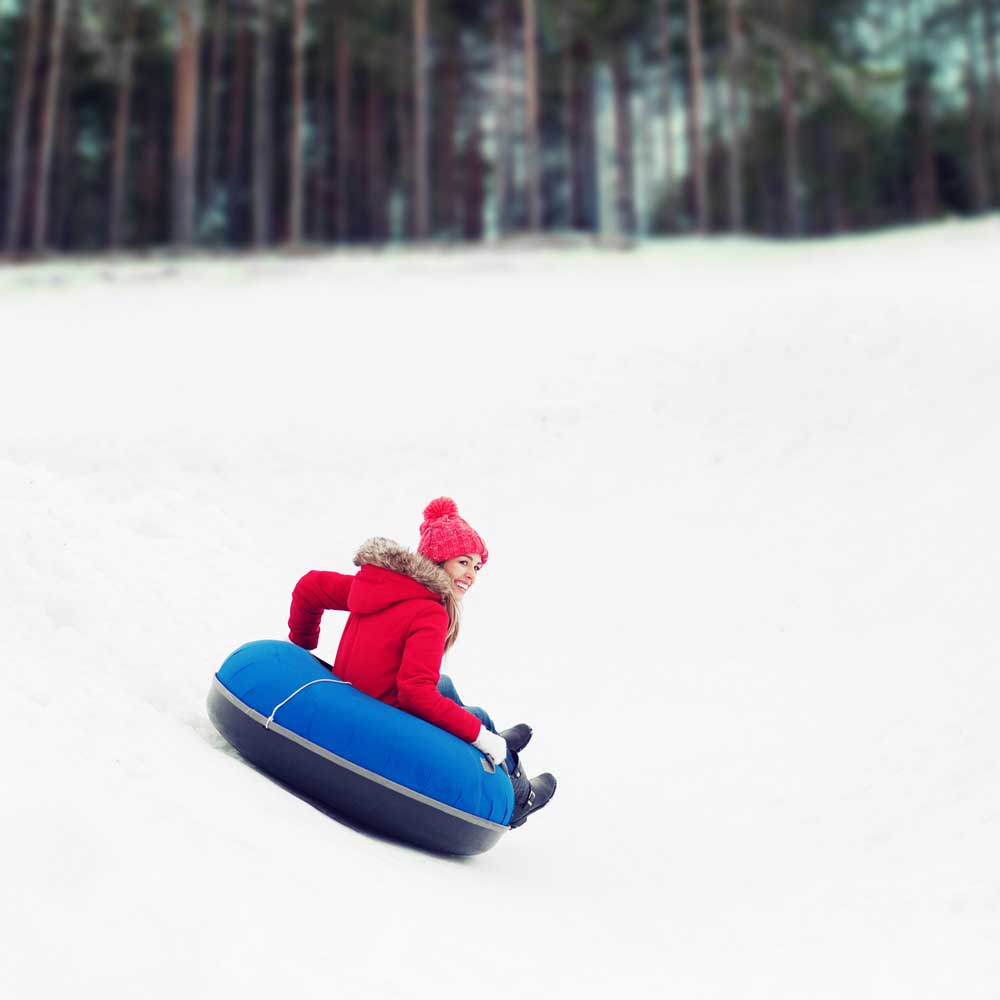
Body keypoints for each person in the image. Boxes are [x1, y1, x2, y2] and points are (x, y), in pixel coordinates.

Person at [286, 497, 556, 828]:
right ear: (438, 560)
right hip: (387, 715)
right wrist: (480, 736)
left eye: (477, 567)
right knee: (478, 719)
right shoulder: (430, 611)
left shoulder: (381, 584)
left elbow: (309, 587)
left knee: (446, 685)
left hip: (354, 689)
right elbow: (415, 693)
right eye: (463, 562)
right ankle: (518, 794)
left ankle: (498, 741)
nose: (471, 575)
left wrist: (301, 644)